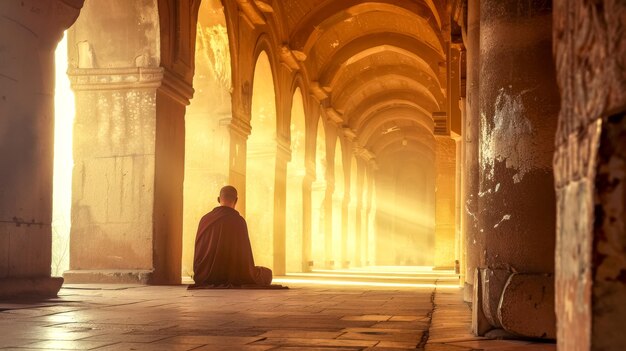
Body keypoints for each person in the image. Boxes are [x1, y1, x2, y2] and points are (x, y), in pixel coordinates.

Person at [191, 185, 273, 287]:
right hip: (233, 275)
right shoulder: (239, 221)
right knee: (267, 273)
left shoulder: (205, 220)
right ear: (236, 200)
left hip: (205, 275)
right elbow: (245, 258)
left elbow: (199, 252)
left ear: (218, 199)